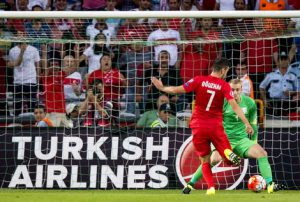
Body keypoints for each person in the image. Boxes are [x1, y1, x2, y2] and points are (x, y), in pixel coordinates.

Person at [151, 58, 254, 195]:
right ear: (223, 70)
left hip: (198, 125)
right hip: (215, 126)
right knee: (230, 159)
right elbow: (234, 105)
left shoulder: (198, 80)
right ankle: (226, 152)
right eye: (226, 71)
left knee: (205, 160)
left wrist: (162, 88)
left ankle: (210, 187)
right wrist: (247, 123)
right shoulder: (224, 85)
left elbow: (177, 90)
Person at [183, 79, 283, 194]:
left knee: (262, 153)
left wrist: (254, 142)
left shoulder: (250, 103)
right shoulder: (222, 102)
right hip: (224, 140)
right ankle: (190, 184)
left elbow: (253, 125)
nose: (234, 92)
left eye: (237, 90)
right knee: (213, 159)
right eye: (231, 90)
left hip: (242, 141)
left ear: (241, 90)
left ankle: (270, 185)